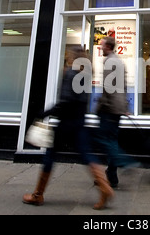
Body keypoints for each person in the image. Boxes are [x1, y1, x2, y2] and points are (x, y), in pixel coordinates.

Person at [22, 46, 114, 210]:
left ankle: (38, 194)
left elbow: (65, 101)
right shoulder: (86, 76)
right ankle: (105, 188)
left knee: (50, 155)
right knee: (87, 155)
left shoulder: (71, 74)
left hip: (65, 124)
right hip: (79, 123)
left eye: (69, 55)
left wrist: (46, 113)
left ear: (72, 57)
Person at [94, 36, 138, 188]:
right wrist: (125, 107)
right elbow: (124, 86)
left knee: (104, 139)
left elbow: (108, 88)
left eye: (101, 45)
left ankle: (124, 161)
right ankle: (111, 175)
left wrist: (101, 105)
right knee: (111, 139)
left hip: (110, 108)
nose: (100, 47)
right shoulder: (119, 61)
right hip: (118, 108)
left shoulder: (109, 62)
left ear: (108, 47)